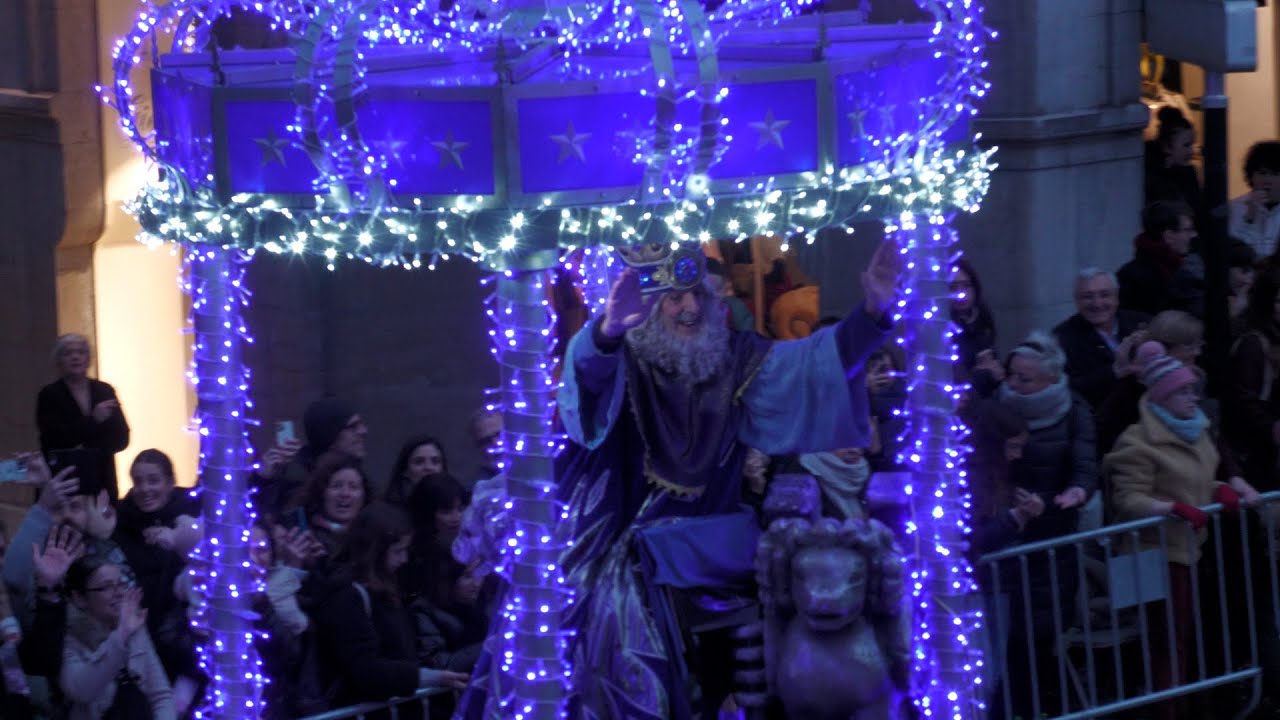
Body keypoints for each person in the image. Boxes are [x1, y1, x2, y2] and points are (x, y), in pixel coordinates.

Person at [458, 241, 899, 720]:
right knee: (602, 614)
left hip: (710, 544)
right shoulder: (618, 355)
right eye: (672, 297)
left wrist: (873, 312)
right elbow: (584, 384)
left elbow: (815, 364)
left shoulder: (734, 356)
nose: (689, 308)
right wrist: (607, 333)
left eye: (696, 295)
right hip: (615, 539)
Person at [1104, 341, 1261, 720]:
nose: (1194, 397)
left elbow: (1195, 481)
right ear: (1162, 396)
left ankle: (1185, 705)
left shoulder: (1197, 431)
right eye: (1184, 391)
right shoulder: (1138, 441)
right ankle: (1167, 712)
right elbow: (1128, 498)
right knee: (1166, 641)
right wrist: (1170, 508)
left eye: (1194, 390)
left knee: (1184, 637)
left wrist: (1217, 489)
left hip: (1190, 547)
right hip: (1154, 554)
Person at [310, 503, 468, 718]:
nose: (403, 560)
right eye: (397, 551)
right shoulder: (346, 595)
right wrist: (427, 677)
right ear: (374, 551)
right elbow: (364, 670)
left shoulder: (380, 588)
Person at [61, 556, 174, 720]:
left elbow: (161, 695)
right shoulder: (69, 638)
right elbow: (81, 691)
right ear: (79, 598)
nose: (120, 593)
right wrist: (121, 636)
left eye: (121, 584)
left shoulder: (134, 626)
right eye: (106, 587)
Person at [36, 334, 130, 501]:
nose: (75, 357)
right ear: (59, 361)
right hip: (65, 481)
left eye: (81, 352)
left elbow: (122, 437)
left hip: (102, 478)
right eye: (68, 353)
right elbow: (53, 440)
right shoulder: (49, 395)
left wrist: (85, 445)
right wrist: (93, 422)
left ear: (88, 359)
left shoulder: (104, 390)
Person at [1053, 268, 1150, 411]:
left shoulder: (1143, 323)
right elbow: (1065, 390)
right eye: (1087, 296)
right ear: (1077, 301)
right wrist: (1113, 372)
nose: (1097, 303)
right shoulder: (1061, 338)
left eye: (1105, 295)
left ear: (1116, 298)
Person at [255, 397, 367, 517]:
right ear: (329, 434)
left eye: (353, 487)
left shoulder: (357, 473)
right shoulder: (296, 479)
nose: (363, 431)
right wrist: (262, 480)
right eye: (353, 427)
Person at [1117, 200, 1200, 318]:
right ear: (1169, 236)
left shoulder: (1179, 269)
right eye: (1188, 230)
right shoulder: (1137, 278)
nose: (1194, 235)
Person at [1143, 107, 1204, 222]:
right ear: (1167, 146)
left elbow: (1199, 212)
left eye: (1192, 145)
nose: (1191, 151)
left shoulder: (1189, 173)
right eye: (1186, 145)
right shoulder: (1151, 177)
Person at [1229, 140, 1280, 259]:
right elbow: (1233, 255)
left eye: (1276, 174)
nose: (1268, 181)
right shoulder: (1235, 208)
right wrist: (1249, 218)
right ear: (1251, 176)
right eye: (1262, 173)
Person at [950, 257, 998, 377]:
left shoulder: (982, 318)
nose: (960, 294)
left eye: (966, 286)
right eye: (952, 287)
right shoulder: (940, 327)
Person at [386, 436, 448, 505]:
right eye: (419, 462)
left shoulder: (458, 509)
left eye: (435, 461)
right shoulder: (386, 511)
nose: (428, 467)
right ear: (405, 471)